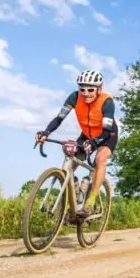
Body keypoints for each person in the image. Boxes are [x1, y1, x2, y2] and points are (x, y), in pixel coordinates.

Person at [36, 69, 118, 218]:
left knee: (99, 159)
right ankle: (75, 193)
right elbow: (59, 118)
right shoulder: (74, 97)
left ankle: (90, 202)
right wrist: (46, 132)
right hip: (87, 134)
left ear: (99, 89)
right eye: (82, 89)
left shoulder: (107, 102)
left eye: (90, 89)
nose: (86, 93)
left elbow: (106, 131)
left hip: (107, 136)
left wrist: (94, 143)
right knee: (70, 164)